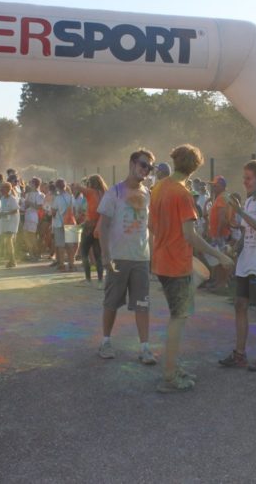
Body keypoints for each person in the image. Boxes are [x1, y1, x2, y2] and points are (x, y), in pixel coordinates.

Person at [150, 144, 233, 393]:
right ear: (195, 167)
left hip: (162, 260)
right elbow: (190, 235)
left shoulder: (158, 188)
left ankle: (173, 366)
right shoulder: (182, 193)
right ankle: (170, 375)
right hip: (176, 264)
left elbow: (152, 226)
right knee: (178, 319)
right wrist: (220, 255)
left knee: (177, 315)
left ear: (175, 161)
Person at [97, 149, 157, 365]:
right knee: (111, 302)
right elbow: (103, 226)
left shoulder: (148, 194)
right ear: (132, 164)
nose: (146, 170)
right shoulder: (114, 192)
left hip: (141, 258)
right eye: (143, 165)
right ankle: (105, 342)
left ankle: (145, 348)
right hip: (118, 257)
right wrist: (105, 255)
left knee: (143, 304)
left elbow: (150, 228)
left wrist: (153, 256)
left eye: (149, 168)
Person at [219, 160, 256, 372]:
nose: (245, 182)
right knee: (240, 304)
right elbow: (247, 233)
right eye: (244, 178)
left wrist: (240, 212)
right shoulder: (249, 201)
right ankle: (240, 354)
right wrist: (234, 250)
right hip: (246, 263)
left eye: (249, 178)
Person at [80, 175, 107, 284]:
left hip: (89, 226)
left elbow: (77, 187)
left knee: (84, 252)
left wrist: (81, 185)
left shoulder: (91, 192)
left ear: (91, 183)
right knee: (98, 254)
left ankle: (88, 279)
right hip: (100, 227)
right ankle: (100, 279)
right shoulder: (105, 194)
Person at [207, 175, 231, 290]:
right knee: (217, 259)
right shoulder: (220, 197)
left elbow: (222, 218)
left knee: (221, 260)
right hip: (218, 233)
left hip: (220, 234)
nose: (213, 188)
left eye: (215, 186)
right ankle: (217, 282)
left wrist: (217, 234)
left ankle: (222, 283)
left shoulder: (222, 198)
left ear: (221, 186)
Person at [51, 179, 77, 272]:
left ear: (57, 187)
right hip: (70, 222)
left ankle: (62, 265)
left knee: (60, 245)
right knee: (70, 245)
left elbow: (53, 212)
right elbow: (74, 210)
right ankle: (71, 264)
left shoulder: (57, 198)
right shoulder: (71, 197)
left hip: (59, 223)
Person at [0, 182, 20, 268]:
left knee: (9, 240)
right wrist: (0, 214)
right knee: (8, 242)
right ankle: (12, 260)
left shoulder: (12, 198)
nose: (1, 190)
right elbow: (2, 209)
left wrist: (6, 213)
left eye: (3, 188)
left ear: (8, 189)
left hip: (12, 222)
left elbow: (16, 210)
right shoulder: (2, 198)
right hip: (5, 222)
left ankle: (12, 260)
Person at [22, 177, 44, 260]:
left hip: (33, 217)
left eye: (31, 182)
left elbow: (40, 207)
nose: (29, 184)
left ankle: (36, 253)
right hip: (27, 216)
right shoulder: (28, 194)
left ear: (35, 184)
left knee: (32, 236)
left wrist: (30, 203)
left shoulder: (40, 195)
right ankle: (31, 254)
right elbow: (25, 206)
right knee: (26, 236)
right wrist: (24, 205)